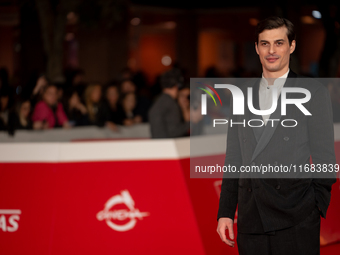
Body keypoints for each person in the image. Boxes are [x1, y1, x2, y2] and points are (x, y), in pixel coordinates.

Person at [216, 16, 337, 255]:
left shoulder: (313, 92)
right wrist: (226, 212)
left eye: (279, 43)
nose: (272, 51)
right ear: (256, 48)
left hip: (296, 216)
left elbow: (325, 159)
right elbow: (234, 159)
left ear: (291, 46)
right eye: (265, 44)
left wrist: (314, 204)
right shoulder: (241, 95)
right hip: (252, 217)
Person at [148, 68, 189, 138]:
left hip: (158, 144)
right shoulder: (171, 104)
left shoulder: (158, 101)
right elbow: (174, 131)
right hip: (169, 145)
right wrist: (190, 123)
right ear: (176, 85)